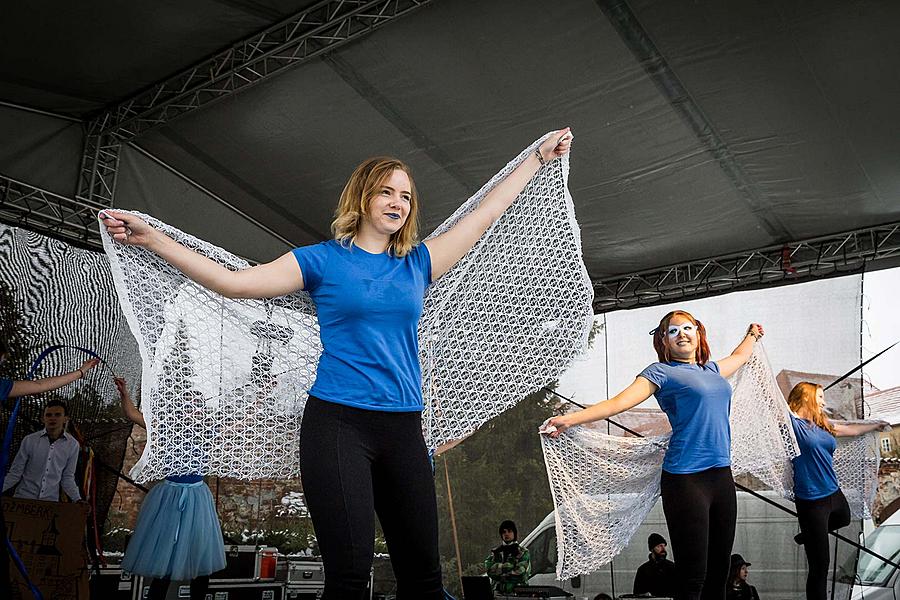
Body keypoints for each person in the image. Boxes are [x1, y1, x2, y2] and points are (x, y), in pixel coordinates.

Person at [101, 129, 572, 600]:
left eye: (406, 196)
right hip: (338, 425)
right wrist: (155, 240)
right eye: (386, 191)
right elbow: (234, 283)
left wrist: (536, 158)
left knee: (424, 580)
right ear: (363, 197)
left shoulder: (418, 263)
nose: (398, 203)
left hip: (403, 429)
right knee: (349, 577)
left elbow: (486, 215)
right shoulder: (321, 261)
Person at [543, 310, 764, 600]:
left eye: (688, 328)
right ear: (664, 341)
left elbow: (739, 356)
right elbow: (619, 402)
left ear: (698, 335)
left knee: (719, 572)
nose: (682, 334)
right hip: (686, 480)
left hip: (721, 477)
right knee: (693, 575)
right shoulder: (661, 373)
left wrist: (751, 335)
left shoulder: (711, 370)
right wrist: (570, 419)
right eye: (673, 331)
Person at [115, 377, 225, 600]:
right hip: (169, 495)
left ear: (202, 411)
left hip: (197, 497)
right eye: (186, 406)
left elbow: (238, 414)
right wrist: (124, 393)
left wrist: (259, 387)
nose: (190, 411)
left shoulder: (208, 431)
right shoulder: (166, 429)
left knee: (199, 552)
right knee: (164, 553)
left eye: (195, 406)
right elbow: (132, 415)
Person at [787, 382, 886, 600]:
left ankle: (811, 534)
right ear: (806, 397)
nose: (823, 401)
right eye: (820, 397)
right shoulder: (793, 423)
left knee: (844, 517)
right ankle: (813, 535)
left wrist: (874, 424)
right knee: (821, 565)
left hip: (833, 491)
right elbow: (775, 406)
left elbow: (850, 429)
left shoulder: (821, 423)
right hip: (811, 500)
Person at [3, 399, 85, 502]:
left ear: (65, 419)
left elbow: (67, 478)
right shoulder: (30, 440)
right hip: (23, 500)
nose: (52, 418)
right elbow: (15, 473)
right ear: (43, 419)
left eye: (58, 415)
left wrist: (77, 499)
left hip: (49, 503)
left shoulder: (72, 445)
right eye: (49, 415)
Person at [484, 519, 531, 594]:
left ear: (514, 533)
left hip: (518, 594)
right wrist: (510, 567)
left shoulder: (523, 552)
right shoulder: (496, 552)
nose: (506, 534)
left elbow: (521, 574)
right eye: (504, 532)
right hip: (498, 594)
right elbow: (489, 570)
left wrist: (499, 571)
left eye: (509, 531)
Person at [633, 532, 677, 597]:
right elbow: (637, 593)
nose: (663, 549)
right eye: (659, 546)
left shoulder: (672, 567)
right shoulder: (643, 570)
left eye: (664, 546)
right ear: (652, 549)